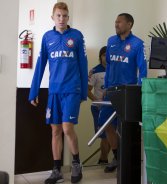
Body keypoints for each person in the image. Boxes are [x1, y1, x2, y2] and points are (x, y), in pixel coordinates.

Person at [28, 2, 88, 184]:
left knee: (67, 128)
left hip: (72, 90)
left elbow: (83, 65)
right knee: (55, 130)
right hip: (54, 90)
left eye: (65, 15)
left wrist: (83, 93)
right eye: (58, 16)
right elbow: (40, 65)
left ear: (68, 17)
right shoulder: (47, 38)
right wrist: (34, 91)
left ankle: (76, 163)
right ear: (53, 17)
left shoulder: (77, 36)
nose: (62, 19)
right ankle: (57, 170)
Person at [99, 13, 147, 173]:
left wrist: (140, 90)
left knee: (126, 127)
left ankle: (127, 160)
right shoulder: (111, 41)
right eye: (115, 21)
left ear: (129, 24)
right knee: (106, 124)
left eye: (119, 22)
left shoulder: (138, 44)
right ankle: (117, 156)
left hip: (128, 92)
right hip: (111, 90)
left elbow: (143, 70)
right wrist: (105, 87)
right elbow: (109, 66)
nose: (116, 24)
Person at [87, 46, 110, 164]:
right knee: (104, 136)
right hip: (98, 109)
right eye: (104, 55)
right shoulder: (94, 71)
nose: (106, 57)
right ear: (100, 57)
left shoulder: (115, 69)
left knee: (112, 136)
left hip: (112, 108)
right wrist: (97, 101)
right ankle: (104, 160)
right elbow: (87, 90)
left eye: (108, 55)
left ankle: (102, 160)